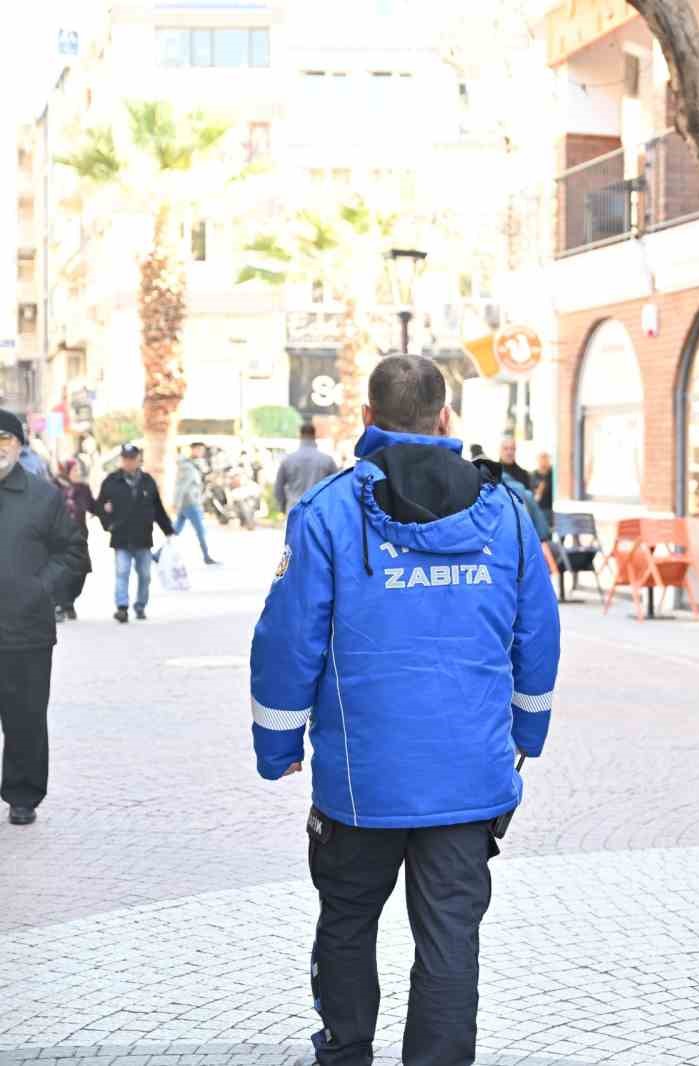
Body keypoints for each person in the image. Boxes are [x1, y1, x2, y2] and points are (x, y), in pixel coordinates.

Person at [250, 354, 560, 1064]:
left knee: (349, 923)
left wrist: (277, 745)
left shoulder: (327, 512)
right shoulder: (505, 512)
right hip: (469, 781)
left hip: (362, 786)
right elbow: (538, 633)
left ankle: (345, 1051)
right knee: (451, 937)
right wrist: (528, 732)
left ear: (366, 419)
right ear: (445, 420)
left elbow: (286, 640)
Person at [0, 409, 89, 826]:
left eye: (6, 439)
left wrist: (40, 589)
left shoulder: (43, 496)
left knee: (25, 718)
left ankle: (23, 795)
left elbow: (73, 552)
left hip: (26, 632)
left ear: (19, 445)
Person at [95, 442, 175, 623]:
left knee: (145, 575)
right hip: (121, 536)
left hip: (143, 537)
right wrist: (108, 524)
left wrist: (168, 530)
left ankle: (140, 606)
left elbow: (158, 508)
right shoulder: (111, 481)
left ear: (139, 460)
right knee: (122, 572)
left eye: (132, 459)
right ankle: (122, 607)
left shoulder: (147, 482)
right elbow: (99, 506)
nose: (129, 462)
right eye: (125, 459)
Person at [52, 459, 96, 620]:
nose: (78, 473)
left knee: (81, 572)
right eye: (75, 470)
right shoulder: (54, 487)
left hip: (80, 538)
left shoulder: (83, 489)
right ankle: (61, 605)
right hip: (59, 539)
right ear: (66, 472)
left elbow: (94, 507)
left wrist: (110, 512)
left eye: (79, 470)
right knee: (63, 573)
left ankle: (69, 601)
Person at [274, 421, 339, 515]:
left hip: (294, 510)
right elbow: (337, 486)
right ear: (314, 435)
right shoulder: (327, 460)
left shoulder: (288, 460)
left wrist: (283, 506)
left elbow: (278, 489)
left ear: (300, 435)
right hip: (319, 513)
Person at [172, 442, 220, 565]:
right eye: (200, 450)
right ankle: (206, 556)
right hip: (190, 502)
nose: (202, 452)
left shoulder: (195, 464)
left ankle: (158, 554)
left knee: (176, 530)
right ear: (193, 450)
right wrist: (176, 503)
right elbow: (182, 486)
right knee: (201, 530)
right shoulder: (187, 466)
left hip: (190, 502)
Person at [530, 451, 555, 523]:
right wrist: (540, 490)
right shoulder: (534, 475)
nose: (544, 462)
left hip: (552, 509)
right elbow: (534, 495)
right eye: (542, 459)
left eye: (546, 459)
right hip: (540, 510)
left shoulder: (553, 474)